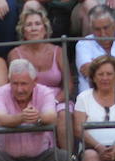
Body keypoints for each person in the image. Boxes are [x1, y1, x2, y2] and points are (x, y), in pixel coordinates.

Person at [0, 58, 66, 161]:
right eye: (15, 84)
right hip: (5, 156)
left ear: (35, 81)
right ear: (9, 81)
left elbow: (52, 117)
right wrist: (22, 117)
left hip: (41, 155)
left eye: (24, 84)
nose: (19, 89)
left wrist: (38, 117)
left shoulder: (45, 92)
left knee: (63, 158)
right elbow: (0, 119)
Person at [7, 5, 69, 148]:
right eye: (29, 25)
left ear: (45, 28)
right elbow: (13, 85)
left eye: (37, 24)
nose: (34, 28)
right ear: (23, 31)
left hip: (57, 99)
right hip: (28, 99)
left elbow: (69, 85)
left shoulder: (58, 51)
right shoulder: (15, 54)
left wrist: (53, 101)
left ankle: (68, 159)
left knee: (64, 115)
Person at [74, 55, 115, 161]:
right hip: (91, 148)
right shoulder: (83, 97)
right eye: (100, 74)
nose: (105, 78)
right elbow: (78, 129)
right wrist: (98, 147)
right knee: (91, 159)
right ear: (93, 77)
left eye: (109, 74)